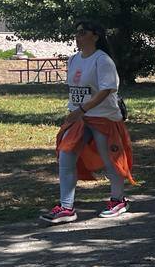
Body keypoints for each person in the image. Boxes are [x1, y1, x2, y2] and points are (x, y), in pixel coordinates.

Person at [42, 20, 134, 224]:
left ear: (95, 36)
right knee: (66, 155)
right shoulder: (74, 59)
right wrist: (76, 111)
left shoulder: (102, 60)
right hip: (79, 118)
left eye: (83, 33)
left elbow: (106, 90)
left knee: (110, 159)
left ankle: (118, 200)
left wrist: (83, 109)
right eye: (76, 33)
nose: (78, 36)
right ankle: (66, 207)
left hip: (103, 118)